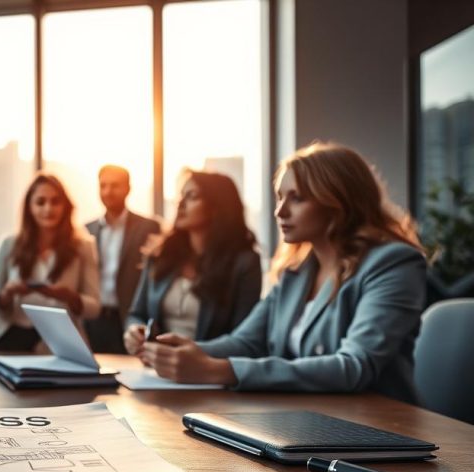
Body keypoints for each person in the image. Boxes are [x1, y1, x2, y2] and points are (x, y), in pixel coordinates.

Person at [139, 142, 426, 403]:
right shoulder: (296, 272)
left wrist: (219, 370)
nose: (280, 212)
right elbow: (247, 342)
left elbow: (353, 366)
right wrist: (179, 351)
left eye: (297, 198)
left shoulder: (393, 263)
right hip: (308, 418)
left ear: (337, 203)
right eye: (279, 197)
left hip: (378, 427)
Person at [122, 170, 261, 355]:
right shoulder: (161, 255)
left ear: (216, 207)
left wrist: (191, 356)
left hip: (210, 368)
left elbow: (243, 339)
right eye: (181, 195)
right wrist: (134, 331)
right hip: (156, 365)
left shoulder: (244, 264)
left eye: (192, 196)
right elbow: (137, 314)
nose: (180, 203)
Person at [0, 174, 101, 352]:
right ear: (29, 207)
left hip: (58, 341)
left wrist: (69, 296)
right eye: (40, 202)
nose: (48, 209)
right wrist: (7, 294)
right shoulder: (10, 244)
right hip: (11, 336)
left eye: (55, 202)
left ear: (65, 206)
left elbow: (94, 308)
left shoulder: (83, 247)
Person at [84, 165, 161, 353]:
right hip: (93, 320)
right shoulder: (87, 230)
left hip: (128, 319)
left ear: (128, 188)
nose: (108, 191)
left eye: (115, 185)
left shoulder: (148, 227)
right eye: (103, 186)